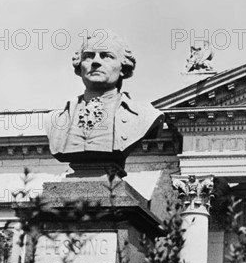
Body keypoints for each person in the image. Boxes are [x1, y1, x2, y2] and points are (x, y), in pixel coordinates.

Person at [45, 30, 163, 174]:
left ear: (123, 68)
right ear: (79, 66)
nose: (95, 62)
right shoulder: (55, 120)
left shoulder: (145, 116)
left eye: (106, 56)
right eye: (88, 56)